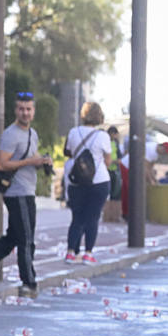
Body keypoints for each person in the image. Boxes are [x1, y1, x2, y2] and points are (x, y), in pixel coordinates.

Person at [0, 92, 51, 297]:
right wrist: (30, 162)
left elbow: (30, 159)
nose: (25, 113)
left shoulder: (33, 134)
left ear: (33, 111)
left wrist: (42, 162)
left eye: (29, 109)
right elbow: (2, 164)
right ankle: (28, 283)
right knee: (26, 238)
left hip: (28, 191)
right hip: (16, 192)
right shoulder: (10, 134)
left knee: (13, 238)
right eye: (22, 109)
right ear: (16, 110)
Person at [63, 102, 112, 264]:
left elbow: (68, 153)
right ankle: (88, 254)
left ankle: (70, 252)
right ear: (99, 116)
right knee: (92, 218)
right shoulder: (103, 136)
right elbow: (108, 161)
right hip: (99, 181)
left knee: (77, 217)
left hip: (77, 181)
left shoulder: (73, 132)